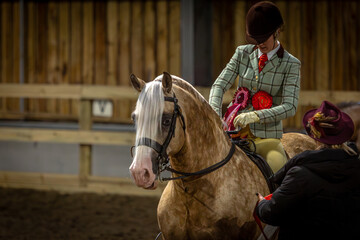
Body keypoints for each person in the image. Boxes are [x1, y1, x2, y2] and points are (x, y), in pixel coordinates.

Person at [209, 1, 301, 173]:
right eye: (255, 39)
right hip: (232, 133)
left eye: (263, 38)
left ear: (277, 32)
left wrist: (255, 116)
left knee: (278, 169)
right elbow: (219, 85)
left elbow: (290, 107)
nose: (259, 44)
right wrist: (215, 113)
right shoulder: (242, 53)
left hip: (266, 138)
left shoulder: (291, 64)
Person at [255, 100, 360, 240]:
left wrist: (261, 203)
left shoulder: (299, 174)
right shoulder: (356, 168)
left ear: (316, 137)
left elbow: (271, 213)